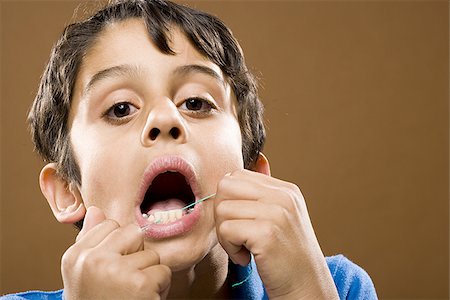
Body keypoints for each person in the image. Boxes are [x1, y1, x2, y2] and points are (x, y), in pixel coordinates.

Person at [2, 0, 377, 299]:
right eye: (120, 109)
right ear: (68, 190)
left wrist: (302, 291)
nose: (165, 119)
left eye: (196, 103)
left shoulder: (336, 287)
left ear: (251, 173)